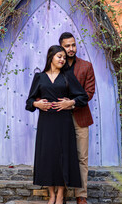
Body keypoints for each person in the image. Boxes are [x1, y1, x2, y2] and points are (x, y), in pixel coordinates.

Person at [26, 45, 89, 204]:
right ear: (51, 58)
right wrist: (37, 104)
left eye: (63, 57)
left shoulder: (68, 76)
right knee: (48, 156)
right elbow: (29, 102)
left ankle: (60, 194)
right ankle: (51, 195)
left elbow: (83, 97)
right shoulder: (39, 77)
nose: (62, 59)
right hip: (46, 123)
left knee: (63, 156)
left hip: (64, 122)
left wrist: (71, 103)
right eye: (59, 56)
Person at [58, 32, 95, 204]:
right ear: (61, 47)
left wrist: (71, 103)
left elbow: (89, 93)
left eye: (73, 45)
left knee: (82, 157)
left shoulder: (86, 66)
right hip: (59, 118)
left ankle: (81, 195)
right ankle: (61, 193)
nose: (71, 48)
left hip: (80, 116)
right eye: (67, 46)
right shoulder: (56, 66)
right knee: (61, 155)